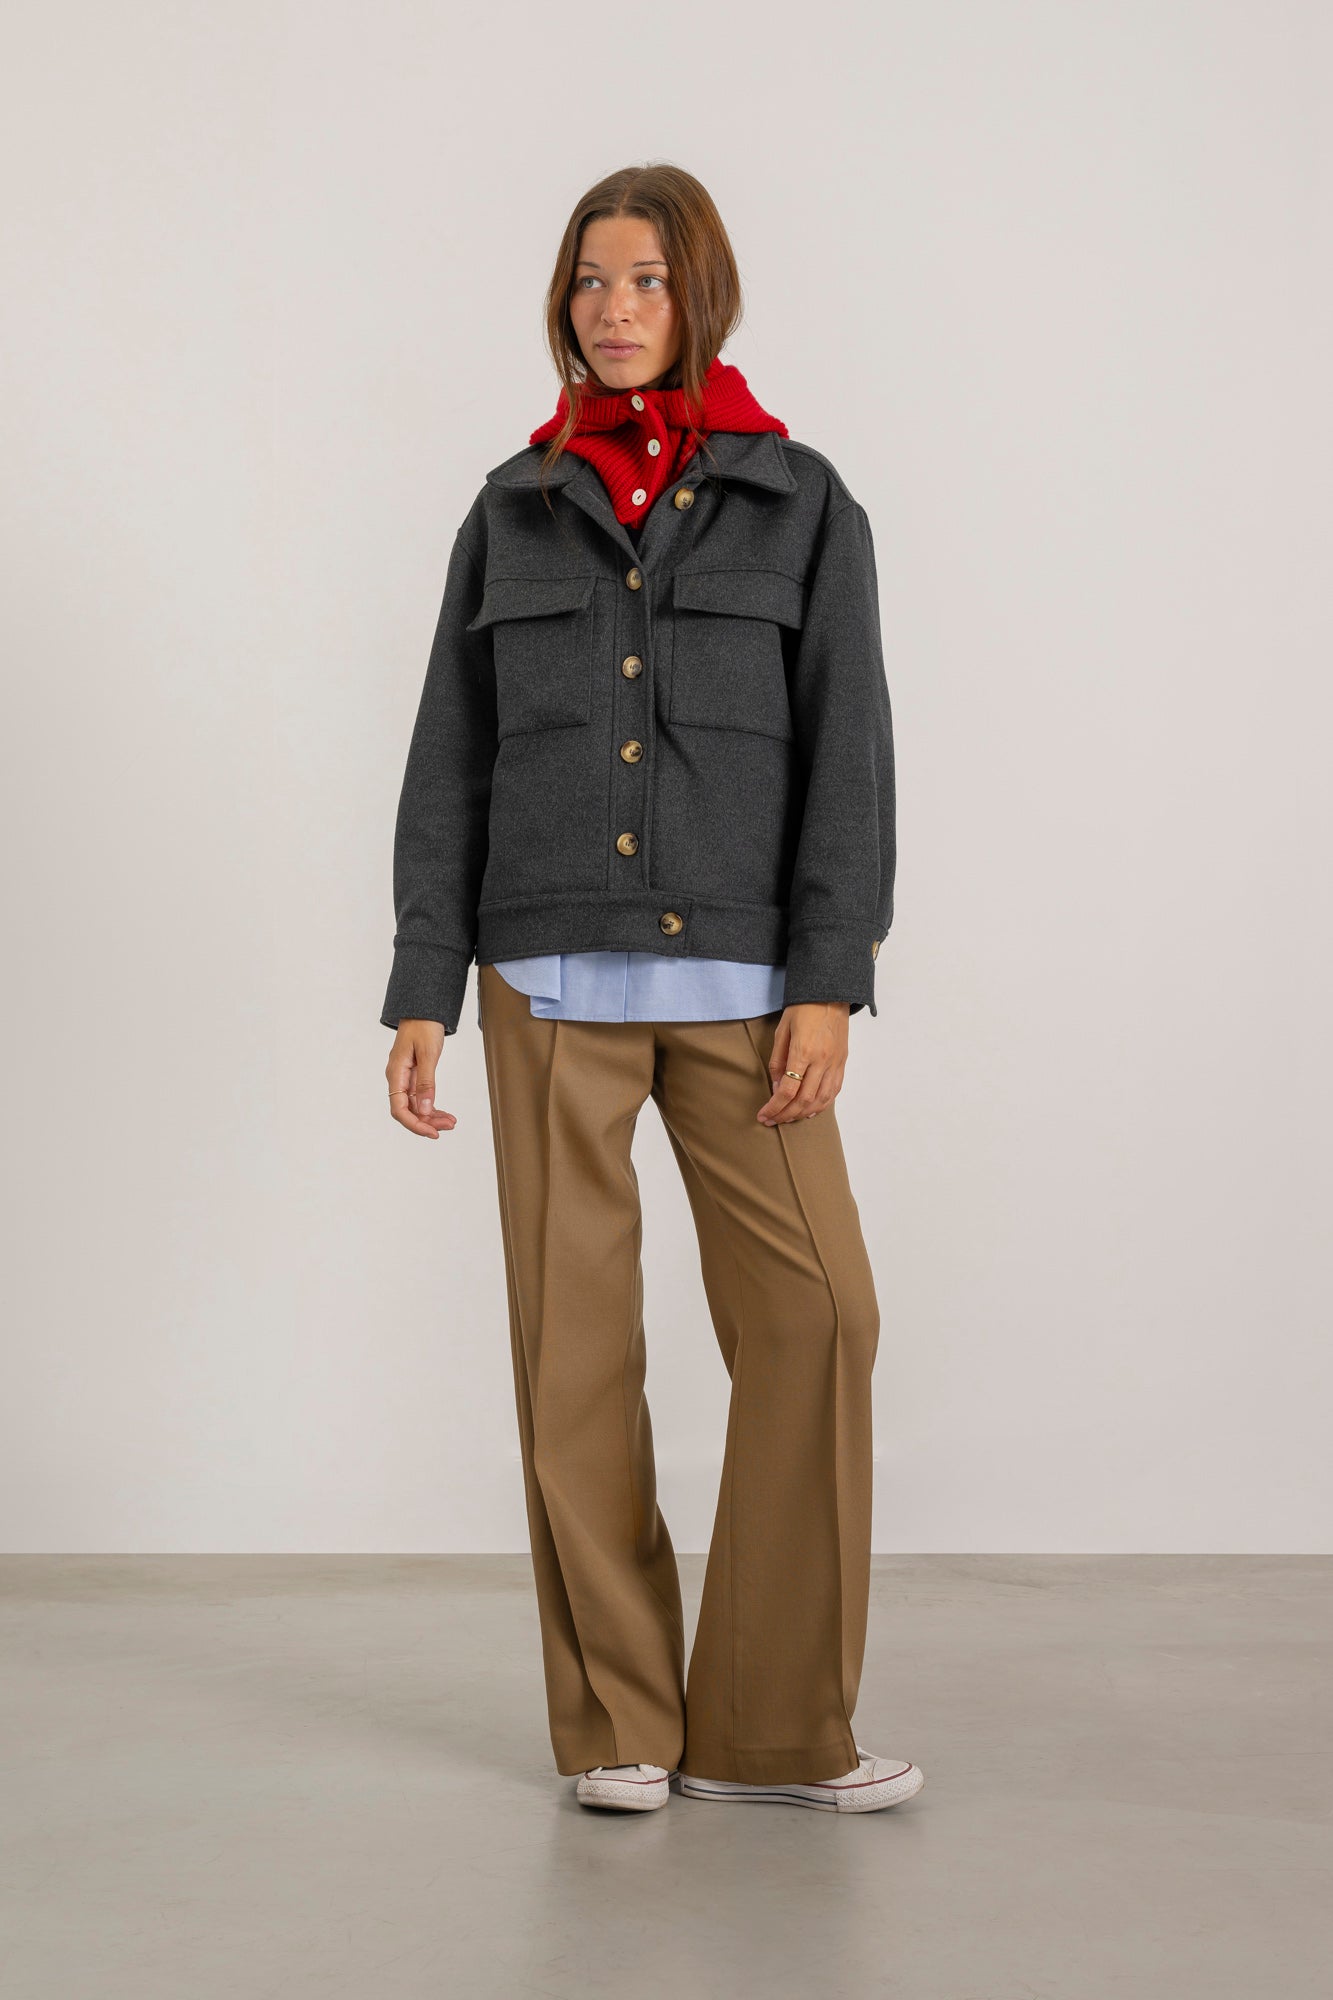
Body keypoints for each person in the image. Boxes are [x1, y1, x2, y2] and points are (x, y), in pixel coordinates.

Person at [381, 162, 924, 1817]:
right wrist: (421, 984)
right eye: (589, 281)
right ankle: (620, 1717)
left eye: (646, 281)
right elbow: (448, 756)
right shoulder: (511, 505)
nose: (613, 310)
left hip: (746, 981)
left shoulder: (801, 500)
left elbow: (848, 752)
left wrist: (828, 975)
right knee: (572, 1357)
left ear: (702, 297)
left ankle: (771, 1725)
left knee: (818, 1315)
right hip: (542, 979)